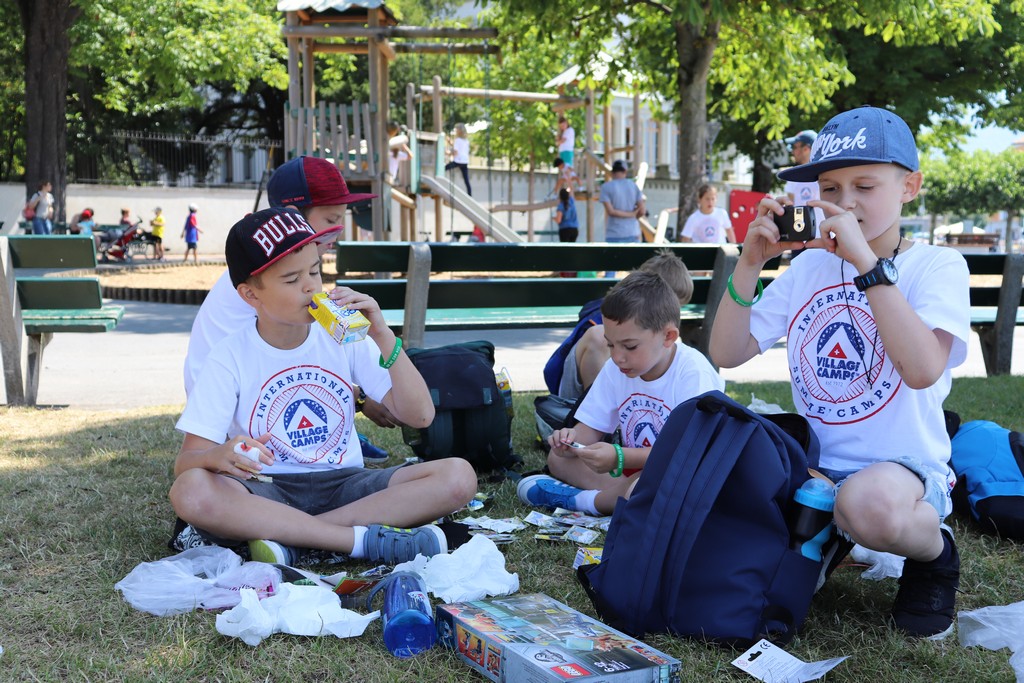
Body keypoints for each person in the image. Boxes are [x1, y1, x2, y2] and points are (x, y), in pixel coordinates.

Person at [709, 106, 970, 640]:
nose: (845, 202)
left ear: (910, 187)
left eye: (865, 186)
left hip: (902, 471)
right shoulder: (808, 266)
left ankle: (935, 555)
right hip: (811, 467)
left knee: (865, 506)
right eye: (830, 186)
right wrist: (751, 262)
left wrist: (864, 264)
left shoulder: (938, 267)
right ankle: (828, 540)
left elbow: (922, 370)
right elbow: (726, 352)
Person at [169, 207, 478, 566]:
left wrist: (382, 335)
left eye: (316, 270)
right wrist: (217, 456)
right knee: (191, 490)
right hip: (268, 489)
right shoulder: (229, 356)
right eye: (291, 279)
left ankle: (293, 541)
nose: (311, 286)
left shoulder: (343, 334)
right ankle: (354, 542)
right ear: (251, 295)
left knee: (458, 476)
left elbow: (420, 415)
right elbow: (186, 463)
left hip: (346, 486)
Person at [181, 155, 393, 466]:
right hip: (229, 415)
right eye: (332, 221)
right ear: (294, 218)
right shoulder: (263, 278)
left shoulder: (283, 271)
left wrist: (361, 395)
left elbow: (302, 358)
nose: (338, 233)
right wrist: (360, 398)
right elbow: (276, 366)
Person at [518, 269, 724, 516]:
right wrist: (570, 440)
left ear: (668, 337)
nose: (617, 357)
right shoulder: (617, 368)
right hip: (634, 473)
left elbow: (688, 452)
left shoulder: (693, 372)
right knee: (558, 459)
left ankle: (585, 502)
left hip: (684, 474)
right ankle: (624, 499)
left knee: (652, 485)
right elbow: (591, 428)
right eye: (610, 344)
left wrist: (620, 457)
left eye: (630, 346)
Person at [543, 250, 694, 401]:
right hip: (573, 394)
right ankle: (597, 407)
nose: (670, 316)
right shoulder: (610, 316)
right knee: (599, 337)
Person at [783, 129, 825, 229]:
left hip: (825, 238)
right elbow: (792, 206)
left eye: (794, 147)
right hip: (801, 237)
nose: (792, 151)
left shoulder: (825, 173)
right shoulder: (792, 175)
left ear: (806, 149)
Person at [599, 160, 645, 244]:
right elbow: (642, 211)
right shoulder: (634, 186)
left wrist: (628, 214)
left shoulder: (606, 187)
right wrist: (632, 215)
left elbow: (611, 211)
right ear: (625, 171)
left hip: (614, 234)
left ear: (612, 172)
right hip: (632, 232)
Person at [445, 123, 472, 195]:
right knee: (466, 180)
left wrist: (448, 153)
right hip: (465, 162)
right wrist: (450, 142)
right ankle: (470, 195)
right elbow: (459, 148)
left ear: (459, 131)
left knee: (444, 168)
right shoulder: (466, 141)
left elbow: (456, 152)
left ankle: (440, 181)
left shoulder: (458, 140)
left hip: (458, 161)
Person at [387, 121, 412, 189]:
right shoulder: (392, 153)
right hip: (388, 176)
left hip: (390, 177)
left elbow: (410, 156)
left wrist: (404, 146)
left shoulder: (396, 154)